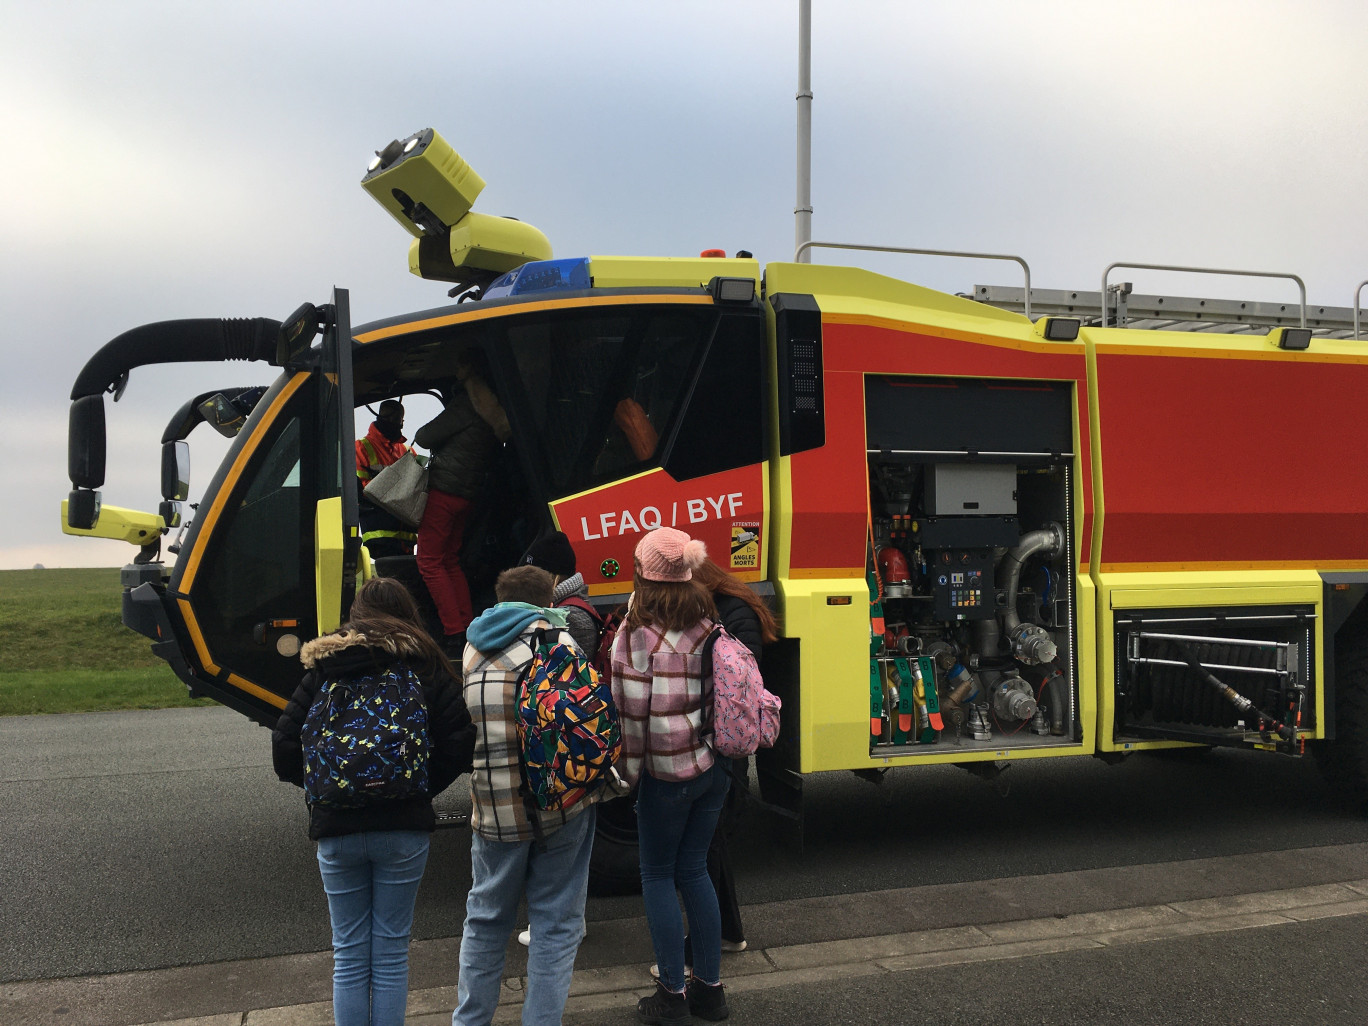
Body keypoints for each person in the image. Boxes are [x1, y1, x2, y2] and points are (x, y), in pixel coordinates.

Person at [271, 576, 476, 1026]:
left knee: (347, 954)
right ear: (409, 614)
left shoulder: (325, 668)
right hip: (404, 829)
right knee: (389, 951)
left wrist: (324, 789)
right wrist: (418, 786)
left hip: (336, 827)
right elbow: (460, 743)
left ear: (356, 617)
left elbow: (285, 749)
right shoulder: (426, 667)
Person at [453, 564, 608, 1026]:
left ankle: (470, 1020)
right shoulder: (561, 644)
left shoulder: (472, 649)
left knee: (485, 920)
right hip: (562, 803)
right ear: (548, 599)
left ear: (500, 599)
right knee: (556, 925)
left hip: (496, 807)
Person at [611, 528, 731, 1024]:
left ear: (642, 570)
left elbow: (631, 717)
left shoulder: (635, 631)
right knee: (695, 870)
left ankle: (671, 995)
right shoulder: (708, 620)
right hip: (710, 767)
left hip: (664, 774)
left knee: (657, 874)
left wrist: (628, 777)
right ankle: (710, 991)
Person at [687, 558, 779, 961]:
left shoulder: (730, 612)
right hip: (726, 741)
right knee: (713, 844)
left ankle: (710, 942)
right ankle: (729, 931)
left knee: (709, 845)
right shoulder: (732, 606)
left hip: (726, 744)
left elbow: (740, 675)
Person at [414, 356, 507, 653]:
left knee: (429, 561)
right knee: (450, 560)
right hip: (466, 494)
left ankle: (453, 630)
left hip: (445, 490)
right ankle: (467, 624)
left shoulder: (467, 405)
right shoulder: (493, 410)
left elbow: (424, 436)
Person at [520, 531, 602, 658]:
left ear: (551, 576)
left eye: (533, 574)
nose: (528, 581)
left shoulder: (569, 617)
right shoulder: (567, 605)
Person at [356, 399, 418, 559]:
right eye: (398, 420)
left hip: (408, 537)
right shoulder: (361, 447)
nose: (400, 425)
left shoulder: (408, 450)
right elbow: (363, 490)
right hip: (379, 534)